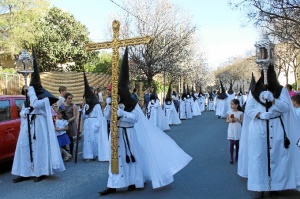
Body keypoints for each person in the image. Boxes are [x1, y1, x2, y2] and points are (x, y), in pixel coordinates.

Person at [99, 47, 192, 196]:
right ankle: (113, 184)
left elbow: (135, 119)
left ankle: (132, 182)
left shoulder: (131, 104)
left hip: (128, 134)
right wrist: (110, 106)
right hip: (116, 136)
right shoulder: (112, 102)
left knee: (131, 159)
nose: (111, 93)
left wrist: (122, 113)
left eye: (114, 91)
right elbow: (106, 117)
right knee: (115, 160)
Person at [245, 64, 300, 198]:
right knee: (259, 156)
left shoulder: (281, 91)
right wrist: (259, 114)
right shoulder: (254, 91)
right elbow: (248, 109)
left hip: (276, 125)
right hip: (259, 126)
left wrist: (273, 100)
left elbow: (286, 107)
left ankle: (275, 185)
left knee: (277, 156)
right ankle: (259, 187)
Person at [12, 48, 65, 183]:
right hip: (28, 125)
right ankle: (24, 172)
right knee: (24, 147)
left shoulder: (44, 100)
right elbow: (23, 111)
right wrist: (25, 112)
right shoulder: (29, 98)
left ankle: (40, 171)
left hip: (39, 127)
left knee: (38, 148)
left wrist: (30, 91)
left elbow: (35, 105)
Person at [82, 73, 108, 162]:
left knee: (94, 140)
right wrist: (84, 114)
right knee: (87, 140)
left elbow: (99, 116)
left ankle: (95, 154)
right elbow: (83, 115)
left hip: (94, 123)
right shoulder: (86, 105)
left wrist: (97, 125)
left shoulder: (96, 105)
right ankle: (88, 155)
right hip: (87, 123)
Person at [59, 92, 78, 157]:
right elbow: (59, 114)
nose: (70, 100)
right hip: (63, 123)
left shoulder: (73, 106)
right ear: (65, 98)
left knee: (70, 138)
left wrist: (68, 121)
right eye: (69, 98)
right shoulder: (62, 105)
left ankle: (71, 153)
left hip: (70, 123)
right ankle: (64, 154)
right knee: (63, 137)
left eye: (71, 98)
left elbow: (75, 116)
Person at [226, 99, 243, 164]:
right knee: (232, 143)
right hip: (231, 128)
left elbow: (242, 121)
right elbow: (227, 120)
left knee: (237, 143)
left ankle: (237, 156)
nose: (231, 105)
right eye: (231, 104)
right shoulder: (229, 112)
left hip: (238, 129)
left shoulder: (240, 113)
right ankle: (231, 157)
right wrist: (230, 120)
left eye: (232, 104)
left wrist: (237, 119)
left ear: (236, 105)